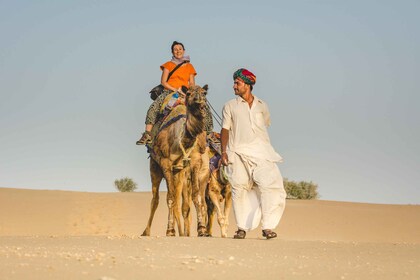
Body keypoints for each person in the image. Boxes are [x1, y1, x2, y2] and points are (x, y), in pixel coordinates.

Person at [220, 68, 286, 239]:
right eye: (234, 82)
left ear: (247, 85)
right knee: (239, 188)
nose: (234, 86)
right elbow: (225, 130)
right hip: (237, 152)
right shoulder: (229, 106)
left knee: (270, 187)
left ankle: (268, 227)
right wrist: (224, 151)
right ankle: (241, 227)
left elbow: (264, 125)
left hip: (262, 153)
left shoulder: (262, 106)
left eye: (237, 83)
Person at [136, 41, 213, 145]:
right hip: (170, 92)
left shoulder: (189, 66)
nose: (178, 51)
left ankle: (209, 134)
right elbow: (163, 82)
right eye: (175, 49)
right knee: (154, 107)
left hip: (186, 93)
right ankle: (147, 133)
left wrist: (190, 92)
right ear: (172, 52)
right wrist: (175, 90)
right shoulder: (168, 65)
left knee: (204, 107)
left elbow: (191, 83)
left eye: (180, 49)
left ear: (184, 50)